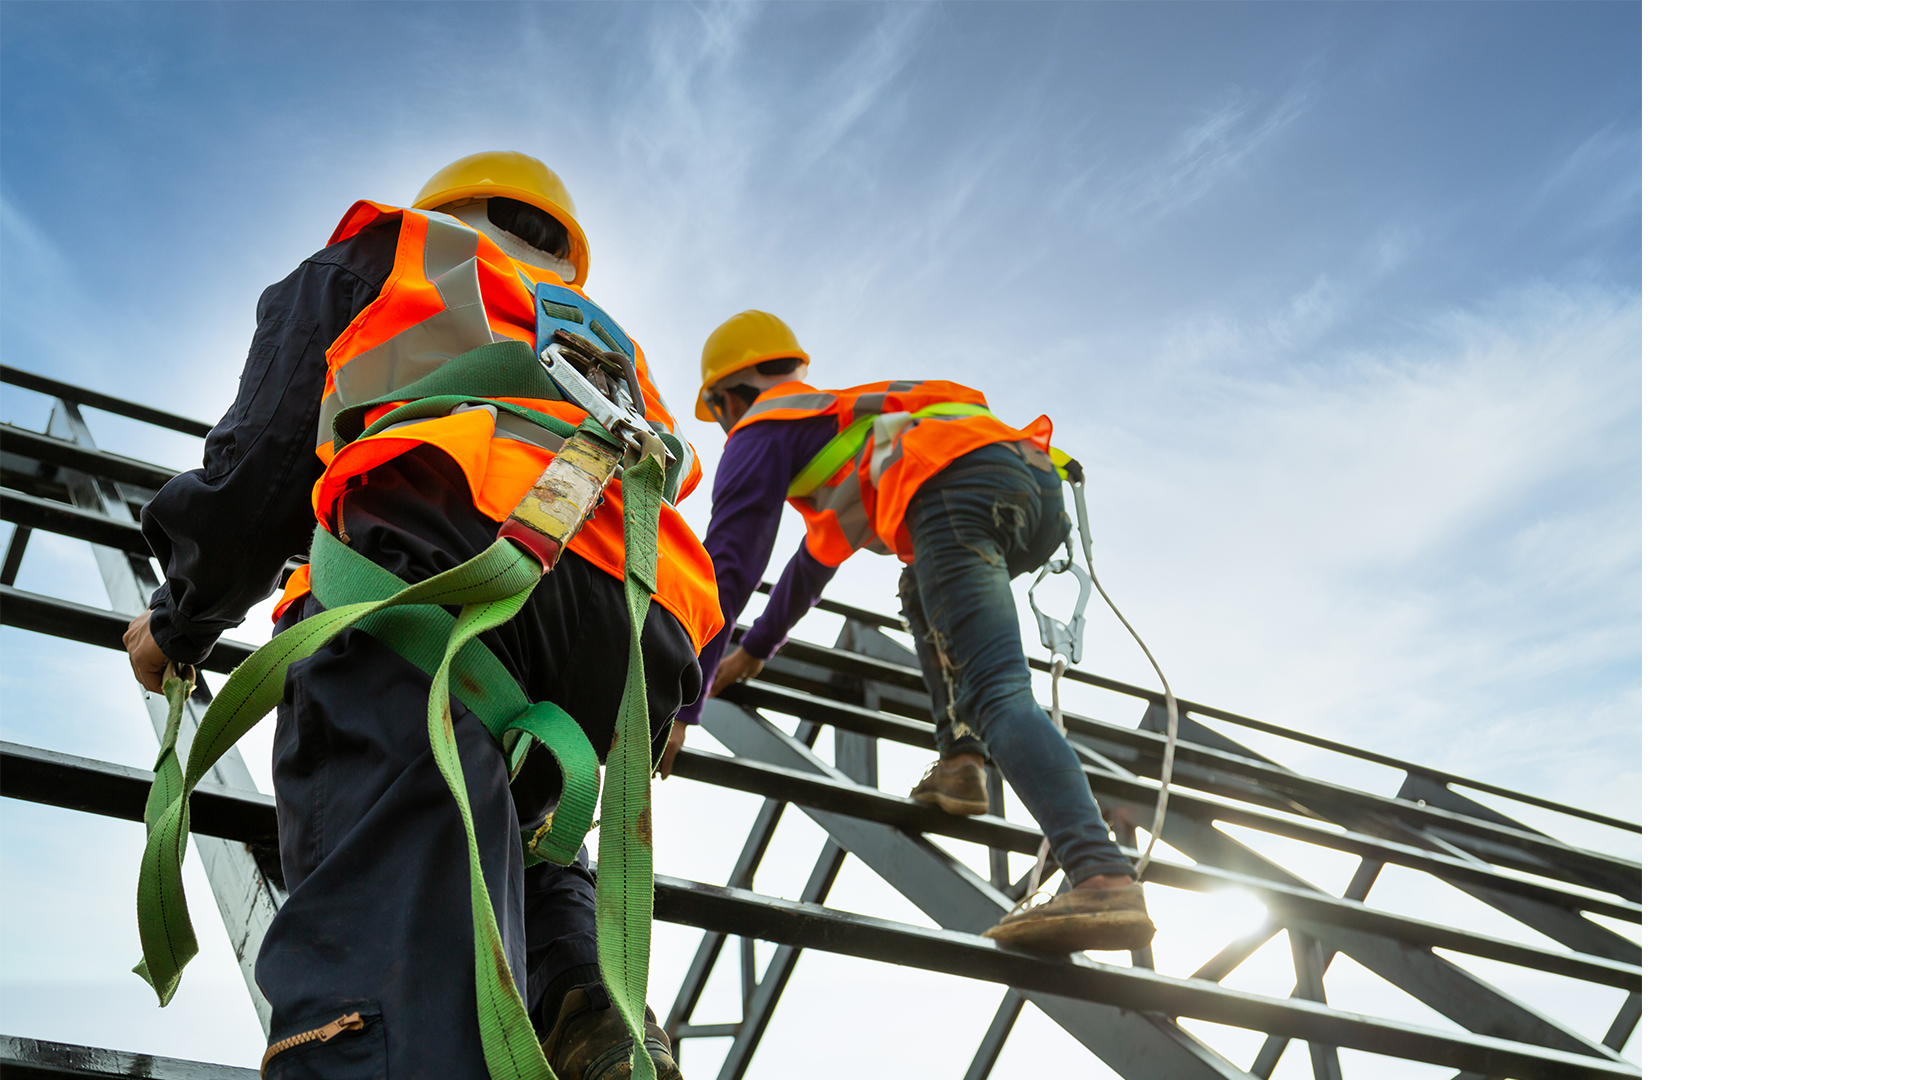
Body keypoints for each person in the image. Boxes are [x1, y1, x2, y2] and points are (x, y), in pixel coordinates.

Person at [122, 151, 721, 1080]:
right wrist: (676, 703)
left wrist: (181, 616)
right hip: (641, 630)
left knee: (392, 898)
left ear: (448, 205)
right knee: (521, 825)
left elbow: (271, 454)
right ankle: (589, 1007)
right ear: (564, 252)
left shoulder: (391, 250)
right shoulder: (607, 344)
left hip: (440, 552)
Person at [668, 309, 1155, 953]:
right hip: (1031, 487)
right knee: (919, 587)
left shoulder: (761, 429)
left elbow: (727, 569)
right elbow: (811, 566)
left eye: (721, 414)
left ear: (728, 395)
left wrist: (682, 701)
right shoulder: (845, 430)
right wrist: (756, 648)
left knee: (996, 692)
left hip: (956, 490)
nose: (727, 429)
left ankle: (1100, 873)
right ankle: (960, 762)